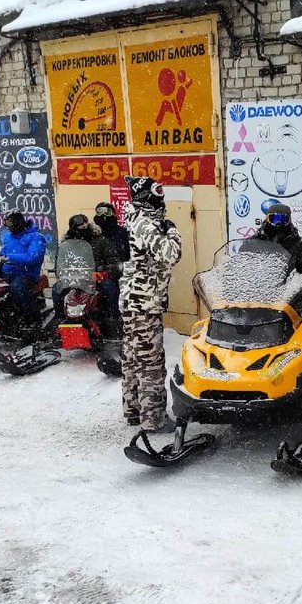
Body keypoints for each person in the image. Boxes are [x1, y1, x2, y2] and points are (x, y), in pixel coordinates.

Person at [120, 176, 182, 432]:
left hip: (134, 301)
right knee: (150, 363)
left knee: (133, 359)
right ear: (145, 196)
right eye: (156, 191)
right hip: (143, 303)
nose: (161, 196)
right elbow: (170, 254)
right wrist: (173, 231)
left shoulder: (136, 218)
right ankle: (153, 419)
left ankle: (133, 409)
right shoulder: (144, 222)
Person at [55, 214, 120, 333]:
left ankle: (114, 318)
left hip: (95, 277)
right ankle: (60, 318)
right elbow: (59, 264)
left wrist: (103, 272)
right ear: (73, 228)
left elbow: (114, 262)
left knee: (109, 287)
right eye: (80, 226)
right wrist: (62, 274)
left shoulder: (100, 241)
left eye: (85, 224)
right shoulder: (66, 244)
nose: (84, 227)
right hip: (73, 279)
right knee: (56, 290)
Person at [254, 203, 302, 282]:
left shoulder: (299, 245)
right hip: (259, 289)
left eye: (283, 220)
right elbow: (242, 264)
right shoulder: (253, 243)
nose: (278, 223)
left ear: (289, 221)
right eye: (274, 219)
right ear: (267, 219)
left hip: (289, 291)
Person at [0, 211, 48, 321]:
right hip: (7, 272)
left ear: (18, 223)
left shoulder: (36, 237)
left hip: (27, 274)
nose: (8, 227)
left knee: (17, 288)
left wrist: (10, 257)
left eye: (10, 223)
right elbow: (3, 252)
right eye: (6, 223)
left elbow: (34, 257)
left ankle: (32, 318)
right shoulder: (8, 237)